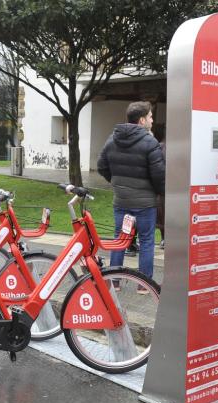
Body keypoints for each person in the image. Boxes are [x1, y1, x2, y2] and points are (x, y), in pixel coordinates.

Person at [97, 101, 165, 287]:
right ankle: (145, 285)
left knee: (119, 239)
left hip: (121, 201)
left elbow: (101, 166)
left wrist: (117, 182)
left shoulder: (112, 139)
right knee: (146, 241)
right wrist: (160, 192)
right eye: (151, 116)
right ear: (142, 120)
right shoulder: (150, 142)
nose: (152, 120)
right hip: (145, 204)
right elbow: (159, 175)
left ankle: (114, 282)